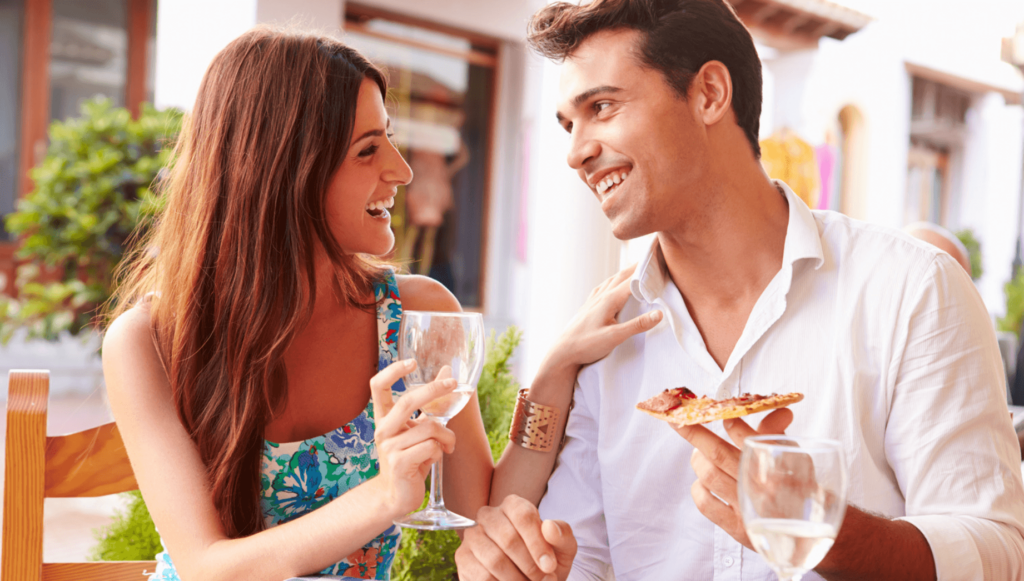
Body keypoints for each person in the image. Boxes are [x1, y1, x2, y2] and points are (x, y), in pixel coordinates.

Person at [455, 1, 1024, 579]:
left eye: (601, 107)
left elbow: (995, 551)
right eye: (568, 125)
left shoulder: (912, 289)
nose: (576, 152)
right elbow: (587, 559)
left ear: (708, 94)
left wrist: (822, 532)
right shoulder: (605, 334)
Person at [101, 28, 493, 581]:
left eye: (390, 139)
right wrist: (385, 494)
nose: (402, 170)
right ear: (284, 170)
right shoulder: (151, 341)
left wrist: (557, 378)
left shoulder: (417, 317)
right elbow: (208, 568)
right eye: (367, 149)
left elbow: (482, 520)